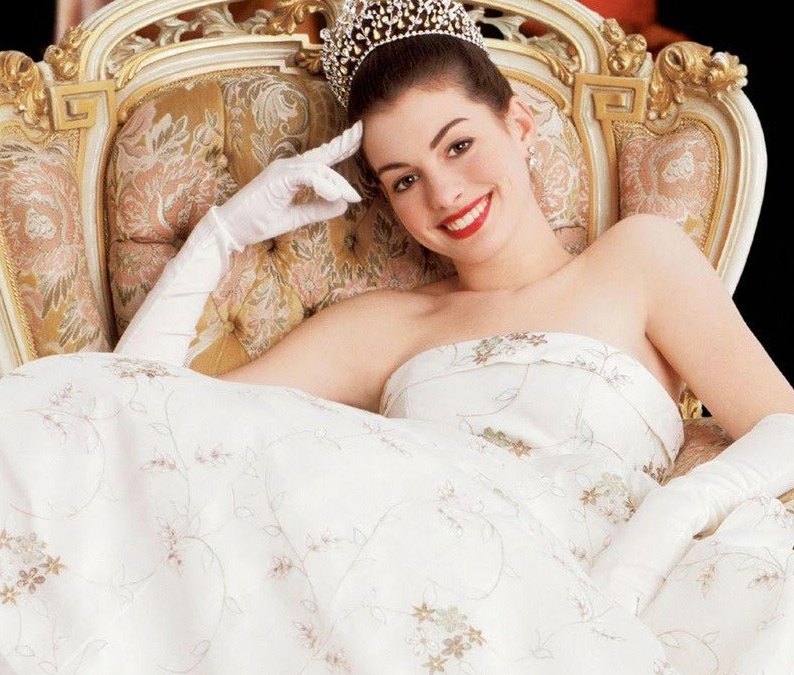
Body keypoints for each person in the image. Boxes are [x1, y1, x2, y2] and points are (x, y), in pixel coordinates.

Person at [3, 0, 794, 672]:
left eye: (459, 144)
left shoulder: (637, 259)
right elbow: (136, 422)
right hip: (401, 574)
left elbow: (784, 423)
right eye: (405, 179)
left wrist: (672, 517)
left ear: (519, 122)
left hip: (584, 581)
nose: (444, 194)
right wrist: (221, 235)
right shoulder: (386, 325)